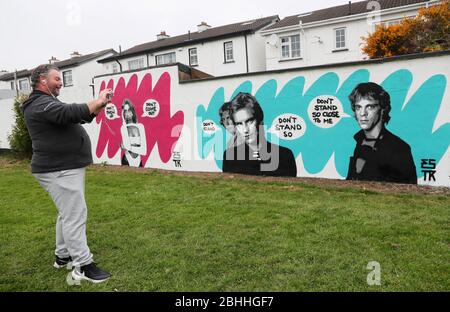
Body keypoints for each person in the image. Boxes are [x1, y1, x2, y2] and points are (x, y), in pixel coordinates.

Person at [22, 64, 113, 283]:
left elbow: (75, 117)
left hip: (63, 167)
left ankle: (62, 256)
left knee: (67, 213)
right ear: (43, 80)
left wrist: (99, 105)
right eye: (56, 78)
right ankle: (82, 266)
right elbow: (68, 112)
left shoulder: (46, 102)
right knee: (75, 214)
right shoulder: (39, 104)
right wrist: (98, 101)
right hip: (59, 169)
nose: (60, 82)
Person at [346, 82, 417, 184]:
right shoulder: (359, 141)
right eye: (358, 107)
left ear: (383, 109)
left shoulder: (399, 148)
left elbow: (408, 191)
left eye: (370, 107)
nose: (362, 113)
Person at [222, 92, 297, 177]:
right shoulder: (230, 156)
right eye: (239, 124)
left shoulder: (285, 155)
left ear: (260, 121)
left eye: (249, 121)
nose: (245, 129)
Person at [120, 100, 146, 167]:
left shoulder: (140, 126)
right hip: (126, 158)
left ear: (132, 111)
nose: (127, 113)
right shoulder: (123, 128)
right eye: (125, 111)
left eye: (129, 110)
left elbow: (144, 150)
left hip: (138, 159)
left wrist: (129, 146)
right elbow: (126, 146)